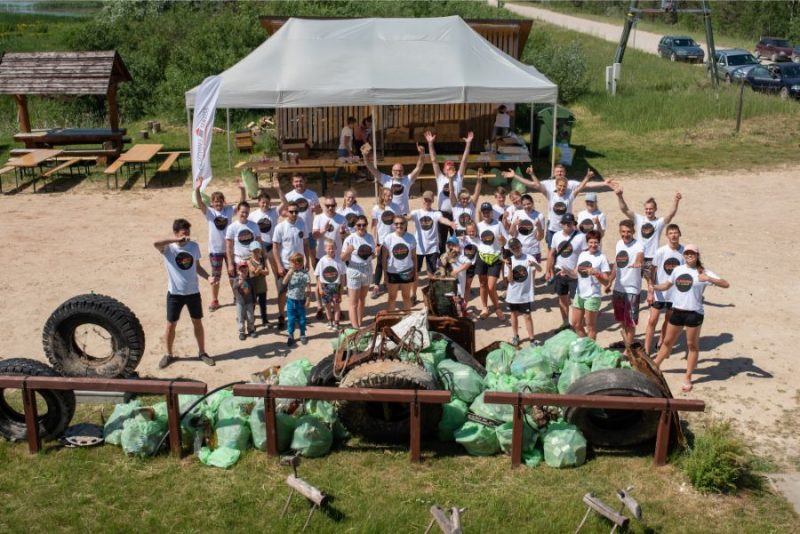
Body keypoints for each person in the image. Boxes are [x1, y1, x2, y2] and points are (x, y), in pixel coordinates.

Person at [651, 245, 729, 392]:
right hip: (677, 311)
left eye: (692, 253)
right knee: (667, 342)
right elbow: (667, 285)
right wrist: (654, 287)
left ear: (697, 255)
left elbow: (726, 284)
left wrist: (709, 278)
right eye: (687, 253)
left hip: (694, 314)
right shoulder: (678, 270)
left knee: (692, 345)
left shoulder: (703, 272)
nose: (689, 255)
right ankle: (655, 366)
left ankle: (688, 377)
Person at [153, 219, 214, 368]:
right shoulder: (168, 248)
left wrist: (208, 277)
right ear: (176, 233)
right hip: (175, 294)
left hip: (193, 292)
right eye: (183, 233)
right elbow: (155, 242)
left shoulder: (194, 246)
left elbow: (197, 267)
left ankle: (202, 352)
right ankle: (168, 354)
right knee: (170, 325)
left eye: (188, 233)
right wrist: (176, 240)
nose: (186, 236)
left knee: (197, 322)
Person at [505, 165, 599, 248]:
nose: (559, 173)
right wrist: (520, 175)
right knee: (551, 248)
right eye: (557, 171)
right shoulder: (549, 187)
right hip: (552, 224)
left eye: (561, 171)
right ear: (554, 173)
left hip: (566, 225)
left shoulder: (570, 187)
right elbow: (535, 184)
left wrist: (590, 178)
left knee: (566, 247)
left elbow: (583, 186)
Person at [608, 180, 681, 280]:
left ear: (655, 209)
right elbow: (624, 209)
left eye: (650, 209)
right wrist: (620, 196)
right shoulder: (639, 219)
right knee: (634, 280)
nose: (648, 211)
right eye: (646, 209)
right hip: (638, 255)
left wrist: (676, 201)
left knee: (651, 284)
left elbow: (670, 215)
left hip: (652, 258)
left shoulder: (659, 222)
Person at [193, 177, 245, 312]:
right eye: (215, 202)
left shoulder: (228, 211)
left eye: (220, 201)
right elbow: (200, 203)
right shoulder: (209, 212)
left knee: (233, 274)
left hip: (229, 249)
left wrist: (242, 189)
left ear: (224, 202)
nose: (218, 204)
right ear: (212, 203)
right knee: (215, 276)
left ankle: (237, 297)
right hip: (215, 250)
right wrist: (197, 189)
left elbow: (241, 204)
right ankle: (215, 300)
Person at [426, 130, 473, 253]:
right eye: (447, 168)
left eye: (452, 168)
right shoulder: (440, 177)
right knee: (441, 241)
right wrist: (430, 143)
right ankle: (442, 262)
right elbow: (434, 160)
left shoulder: (458, 177)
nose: (450, 170)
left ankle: (457, 261)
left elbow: (464, 160)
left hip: (457, 212)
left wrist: (468, 144)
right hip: (443, 213)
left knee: (458, 239)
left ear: (455, 169)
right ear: (444, 170)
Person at [645, 224, 684, 355]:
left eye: (676, 232)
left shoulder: (684, 252)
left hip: (674, 294)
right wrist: (650, 291)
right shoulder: (661, 251)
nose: (673, 235)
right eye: (671, 233)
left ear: (679, 234)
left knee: (668, 319)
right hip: (659, 292)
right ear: (667, 236)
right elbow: (653, 271)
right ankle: (646, 349)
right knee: (652, 320)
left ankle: (661, 343)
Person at [410, 190, 456, 302]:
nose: (427, 202)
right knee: (416, 273)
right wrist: (400, 218)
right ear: (422, 199)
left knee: (431, 274)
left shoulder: (436, 213)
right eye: (425, 199)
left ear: (432, 201)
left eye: (429, 200)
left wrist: (450, 223)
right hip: (419, 248)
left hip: (432, 248)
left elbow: (442, 219)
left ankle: (431, 295)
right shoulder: (416, 213)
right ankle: (413, 295)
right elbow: (407, 217)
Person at [272, 201, 312, 330]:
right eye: (291, 211)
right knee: (282, 292)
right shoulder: (280, 227)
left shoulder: (302, 224)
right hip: (285, 265)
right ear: (286, 212)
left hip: (299, 266)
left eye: (296, 211)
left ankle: (296, 316)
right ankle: (281, 316)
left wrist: (308, 261)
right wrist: (278, 265)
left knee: (299, 292)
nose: (294, 213)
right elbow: (275, 248)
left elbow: (306, 244)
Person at [607, 219, 645, 347]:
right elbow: (616, 264)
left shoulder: (639, 245)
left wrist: (639, 262)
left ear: (633, 232)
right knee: (621, 320)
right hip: (618, 287)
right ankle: (626, 343)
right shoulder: (619, 244)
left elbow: (640, 255)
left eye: (629, 232)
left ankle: (628, 350)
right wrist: (609, 281)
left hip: (632, 289)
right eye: (623, 231)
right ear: (619, 232)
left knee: (630, 322)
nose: (626, 234)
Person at [546, 213, 587, 326]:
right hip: (560, 272)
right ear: (561, 224)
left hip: (575, 274)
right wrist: (548, 271)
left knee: (577, 301)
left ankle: (578, 322)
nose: (567, 225)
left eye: (570, 223)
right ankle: (565, 323)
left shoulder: (581, 236)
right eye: (565, 223)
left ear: (574, 224)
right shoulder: (556, 236)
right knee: (562, 299)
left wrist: (576, 270)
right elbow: (551, 254)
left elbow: (585, 256)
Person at [570, 230, 611, 339]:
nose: (593, 245)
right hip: (579, 294)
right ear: (587, 243)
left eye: (596, 242)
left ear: (599, 243)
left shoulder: (602, 258)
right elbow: (575, 272)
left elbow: (607, 281)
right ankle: (586, 346)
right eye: (591, 242)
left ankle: (590, 353)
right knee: (576, 324)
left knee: (591, 327)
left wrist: (596, 273)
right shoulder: (582, 254)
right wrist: (567, 272)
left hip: (593, 296)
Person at [363, 142, 424, 215]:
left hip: (402, 214)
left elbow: (419, 167)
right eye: (396, 171)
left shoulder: (407, 179)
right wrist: (365, 156)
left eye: (400, 171)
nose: (398, 173)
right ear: (392, 172)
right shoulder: (386, 179)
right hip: (388, 212)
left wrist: (422, 154)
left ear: (403, 171)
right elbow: (370, 167)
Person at [312, 195, 348, 319]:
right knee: (320, 282)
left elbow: (346, 236)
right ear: (324, 206)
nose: (330, 208)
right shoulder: (318, 218)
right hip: (321, 255)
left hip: (337, 256)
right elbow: (315, 236)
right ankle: (319, 307)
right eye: (328, 205)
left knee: (336, 282)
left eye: (333, 205)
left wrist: (343, 233)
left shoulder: (342, 218)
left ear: (336, 205)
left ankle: (336, 308)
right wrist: (323, 230)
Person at [503, 237, 542, 346]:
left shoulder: (529, 257)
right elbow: (510, 280)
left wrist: (534, 264)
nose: (516, 249)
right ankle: (515, 335)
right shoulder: (509, 260)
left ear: (521, 246)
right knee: (513, 315)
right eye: (513, 248)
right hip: (513, 294)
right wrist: (510, 268)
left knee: (527, 316)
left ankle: (532, 339)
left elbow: (540, 269)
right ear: (510, 249)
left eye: (517, 246)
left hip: (525, 294)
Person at [249, 185, 286, 293]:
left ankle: (281, 292)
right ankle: (257, 295)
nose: (265, 204)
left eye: (267, 202)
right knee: (258, 271)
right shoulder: (253, 215)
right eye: (262, 202)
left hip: (271, 246)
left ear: (270, 202)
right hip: (259, 247)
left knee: (276, 271)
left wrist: (278, 189)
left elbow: (285, 203)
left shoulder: (274, 212)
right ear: (258, 202)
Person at [475, 201, 508, 320]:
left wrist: (503, 242)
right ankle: (484, 308)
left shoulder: (498, 224)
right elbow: (473, 240)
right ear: (481, 213)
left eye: (488, 211)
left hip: (495, 258)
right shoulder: (478, 226)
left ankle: (497, 308)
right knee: (483, 284)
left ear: (491, 212)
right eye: (484, 211)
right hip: (482, 257)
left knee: (491, 286)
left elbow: (507, 240)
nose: (486, 213)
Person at [341, 214, 374, 328]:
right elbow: (342, 258)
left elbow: (372, 255)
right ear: (355, 226)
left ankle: (360, 322)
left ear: (366, 225)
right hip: (354, 270)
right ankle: (355, 328)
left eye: (363, 225)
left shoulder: (370, 238)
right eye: (359, 225)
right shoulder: (350, 239)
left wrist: (375, 254)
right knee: (353, 303)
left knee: (362, 299)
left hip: (367, 269)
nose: (361, 227)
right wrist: (348, 251)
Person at [371, 188, 401, 299]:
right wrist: (375, 242)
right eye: (387, 195)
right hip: (381, 241)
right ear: (382, 196)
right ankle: (376, 286)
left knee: (391, 262)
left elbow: (400, 223)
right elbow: (374, 226)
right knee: (379, 263)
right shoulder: (376, 209)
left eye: (391, 195)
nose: (390, 197)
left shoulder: (396, 207)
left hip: (393, 240)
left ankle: (387, 283)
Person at [284, 173, 321, 266]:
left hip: (309, 230)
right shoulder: (288, 196)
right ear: (292, 183)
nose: (298, 183)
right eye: (296, 181)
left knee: (313, 254)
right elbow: (283, 212)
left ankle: (316, 276)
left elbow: (319, 211)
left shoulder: (312, 194)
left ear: (305, 181)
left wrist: (316, 209)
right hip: (295, 230)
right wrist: (291, 215)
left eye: (300, 181)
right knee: (297, 255)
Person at [382, 216, 417, 311]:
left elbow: (414, 257)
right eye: (396, 223)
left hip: (407, 272)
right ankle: (391, 320)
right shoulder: (388, 238)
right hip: (393, 272)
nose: (399, 225)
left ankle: (407, 320)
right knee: (392, 298)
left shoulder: (411, 238)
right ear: (393, 225)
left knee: (406, 297)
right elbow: (384, 258)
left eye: (401, 223)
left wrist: (415, 272)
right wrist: (385, 274)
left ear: (405, 224)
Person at [315, 238, 346, 330]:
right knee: (327, 305)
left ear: (336, 248)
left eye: (333, 248)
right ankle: (330, 321)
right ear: (325, 249)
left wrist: (342, 287)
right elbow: (317, 275)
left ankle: (336, 322)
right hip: (325, 286)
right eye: (329, 248)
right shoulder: (322, 261)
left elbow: (342, 275)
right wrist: (320, 288)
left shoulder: (339, 260)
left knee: (336, 305)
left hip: (336, 286)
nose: (331, 250)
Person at [283, 252, 311, 347]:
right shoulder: (290, 273)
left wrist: (308, 300)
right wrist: (289, 273)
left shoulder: (305, 275)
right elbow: (284, 282)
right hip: (291, 300)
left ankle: (302, 334)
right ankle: (290, 335)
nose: (290, 265)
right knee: (291, 319)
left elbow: (308, 288)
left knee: (302, 319)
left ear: (298, 264)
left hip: (301, 301)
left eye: (291, 263)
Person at [225, 201, 261, 273]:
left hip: (253, 260)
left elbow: (258, 242)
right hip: (240, 261)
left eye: (247, 212)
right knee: (242, 283)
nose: (244, 214)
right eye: (242, 212)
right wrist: (230, 264)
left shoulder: (254, 225)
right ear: (238, 211)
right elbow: (229, 248)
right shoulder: (232, 227)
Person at [509, 193, 545, 262]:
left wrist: (539, 226)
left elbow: (540, 238)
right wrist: (514, 224)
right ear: (522, 205)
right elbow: (511, 233)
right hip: (519, 250)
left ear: (532, 203)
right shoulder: (517, 213)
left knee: (532, 272)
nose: (526, 206)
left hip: (534, 251)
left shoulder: (540, 216)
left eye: (528, 204)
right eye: (524, 205)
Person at [450, 168, 483, 237]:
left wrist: (479, 180)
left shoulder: (471, 205)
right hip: (458, 232)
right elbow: (451, 191)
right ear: (459, 199)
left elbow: (477, 192)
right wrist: (450, 179)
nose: (465, 200)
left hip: (470, 232)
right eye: (463, 199)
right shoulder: (455, 205)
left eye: (467, 198)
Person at [247, 241, 269, 327]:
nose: (256, 253)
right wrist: (260, 270)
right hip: (253, 287)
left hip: (262, 286)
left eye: (257, 251)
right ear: (251, 251)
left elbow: (267, 272)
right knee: (252, 305)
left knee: (263, 305)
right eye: (254, 251)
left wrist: (259, 270)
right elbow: (254, 272)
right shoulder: (249, 261)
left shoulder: (263, 260)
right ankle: (251, 323)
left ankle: (265, 320)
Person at [232, 261, 256, 340]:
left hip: (249, 302)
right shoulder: (236, 279)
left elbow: (253, 291)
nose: (243, 272)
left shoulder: (250, 280)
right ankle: (241, 332)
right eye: (241, 271)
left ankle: (251, 330)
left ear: (248, 270)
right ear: (238, 271)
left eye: (245, 270)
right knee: (240, 317)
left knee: (250, 316)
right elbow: (234, 287)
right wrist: (239, 283)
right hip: (240, 302)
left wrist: (254, 300)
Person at [334, 116, 357, 183]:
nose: (355, 125)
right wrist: (349, 152)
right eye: (354, 123)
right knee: (341, 165)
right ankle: (335, 180)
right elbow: (346, 143)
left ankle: (353, 177)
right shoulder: (347, 131)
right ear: (351, 123)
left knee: (350, 163)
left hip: (344, 149)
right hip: (344, 150)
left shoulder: (346, 129)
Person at [461, 222, 480, 301]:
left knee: (467, 285)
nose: (471, 233)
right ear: (466, 231)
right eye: (469, 231)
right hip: (463, 265)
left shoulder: (479, 240)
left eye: (473, 231)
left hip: (472, 266)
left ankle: (465, 304)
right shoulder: (464, 239)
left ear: (476, 230)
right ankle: (459, 303)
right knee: (461, 285)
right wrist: (461, 240)